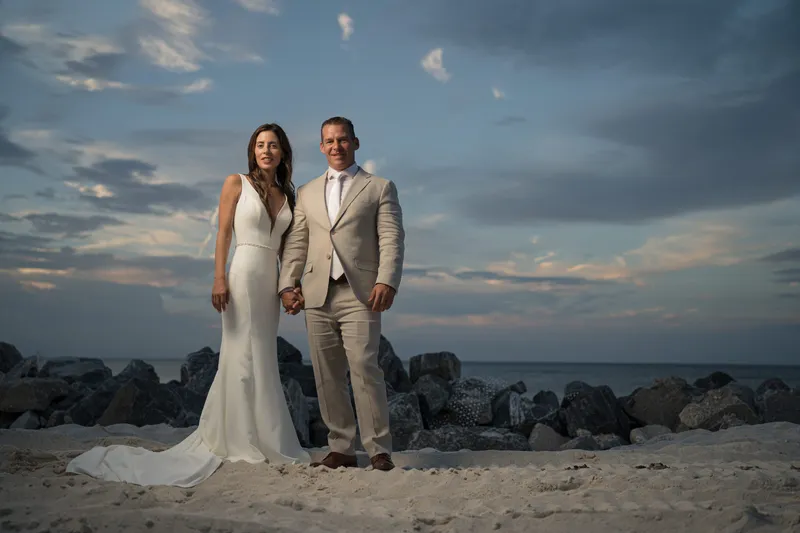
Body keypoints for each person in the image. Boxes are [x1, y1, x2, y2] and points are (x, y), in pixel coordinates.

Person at [65, 123, 311, 487]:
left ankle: (267, 438)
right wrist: (218, 277)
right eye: (260, 145)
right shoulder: (236, 183)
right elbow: (224, 233)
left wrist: (290, 287)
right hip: (242, 273)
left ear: (283, 152)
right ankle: (237, 439)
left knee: (263, 356)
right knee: (240, 355)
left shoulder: (287, 194)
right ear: (252, 151)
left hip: (269, 281)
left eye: (273, 145)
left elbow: (290, 249)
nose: (266, 150)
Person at [278, 116, 404, 471]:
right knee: (326, 372)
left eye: (343, 140)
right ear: (321, 146)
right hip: (316, 293)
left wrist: (388, 280)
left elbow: (392, 238)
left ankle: (379, 450)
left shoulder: (379, 187)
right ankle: (342, 448)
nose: (336, 146)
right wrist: (287, 284)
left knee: (365, 367)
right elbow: (297, 242)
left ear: (355, 143)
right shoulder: (306, 191)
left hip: (361, 292)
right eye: (330, 141)